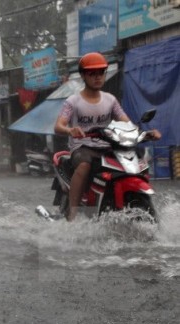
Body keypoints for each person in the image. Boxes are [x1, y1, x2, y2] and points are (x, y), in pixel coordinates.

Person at [54, 52, 161, 221]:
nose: (97, 77)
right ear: (83, 75)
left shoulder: (110, 100)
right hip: (82, 148)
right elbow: (58, 125)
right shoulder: (73, 101)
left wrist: (146, 133)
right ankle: (72, 215)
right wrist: (70, 130)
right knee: (84, 165)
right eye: (92, 73)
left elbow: (127, 124)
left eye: (101, 72)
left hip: (107, 146)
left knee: (137, 160)